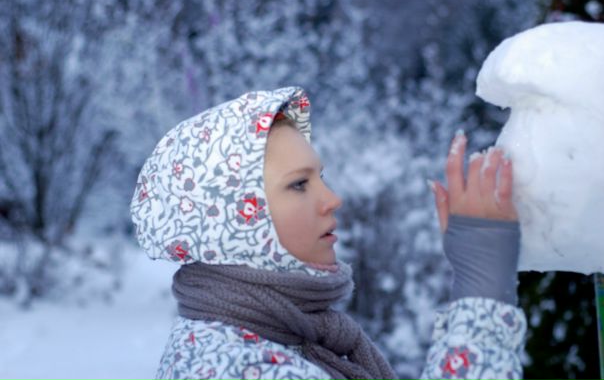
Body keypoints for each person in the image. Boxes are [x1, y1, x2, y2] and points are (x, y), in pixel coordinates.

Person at [130, 87, 526, 380]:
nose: (332, 199)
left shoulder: (269, 339)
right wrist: (482, 290)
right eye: (299, 184)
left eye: (320, 177)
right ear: (233, 221)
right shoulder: (240, 369)